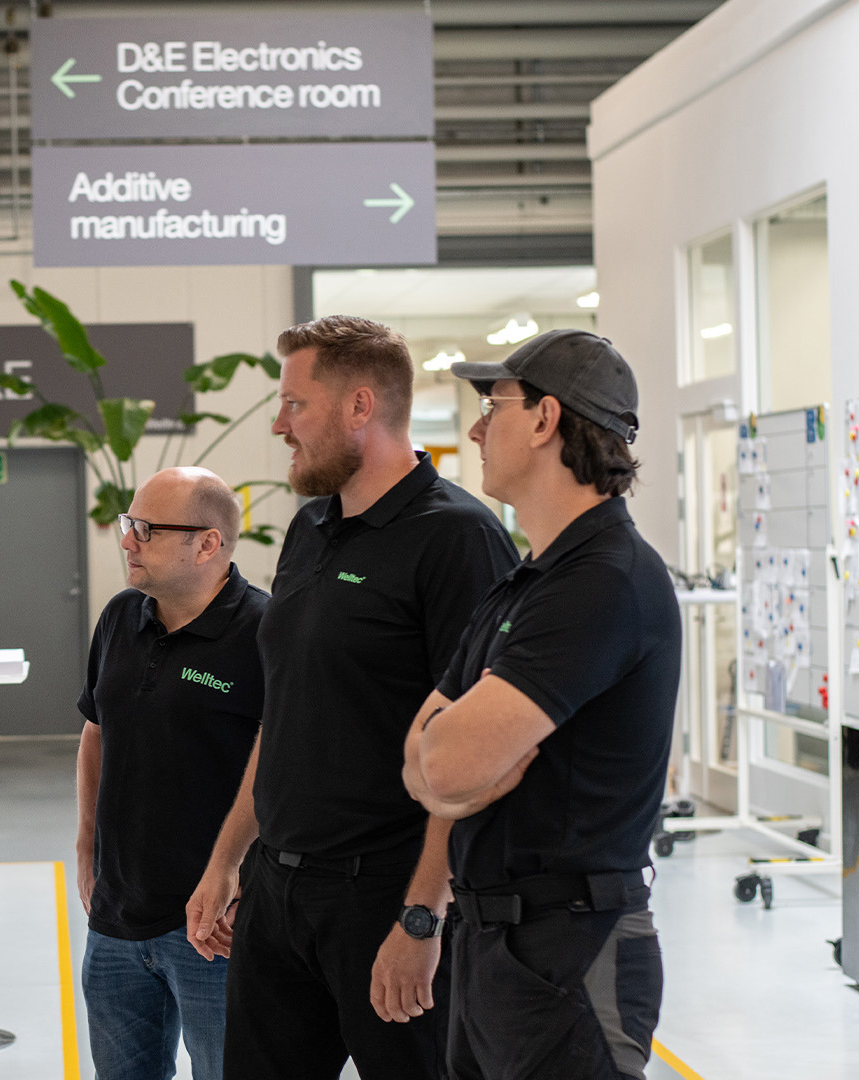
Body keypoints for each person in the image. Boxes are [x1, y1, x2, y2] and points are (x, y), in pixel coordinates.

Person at [192, 316, 519, 1079]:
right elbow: (288, 710)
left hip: (384, 895)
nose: (279, 425)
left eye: (294, 405)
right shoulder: (312, 530)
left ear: (360, 407)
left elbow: (476, 757)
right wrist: (227, 858)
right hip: (279, 892)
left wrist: (422, 915)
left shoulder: (457, 541)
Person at [403, 329, 675, 1080]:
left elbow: (446, 760)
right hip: (495, 943)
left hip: (569, 952)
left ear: (546, 419)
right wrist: (445, 771)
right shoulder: (529, 581)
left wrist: (447, 769)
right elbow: (422, 760)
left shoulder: (604, 582)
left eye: (494, 406)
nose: (476, 429)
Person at [75, 467, 268, 1080]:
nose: (127, 540)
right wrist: (87, 841)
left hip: (216, 927)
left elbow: (284, 765)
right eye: (129, 525)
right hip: (116, 922)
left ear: (208, 543)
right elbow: (96, 728)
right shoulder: (120, 618)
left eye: (146, 529)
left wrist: (237, 872)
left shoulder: (265, 632)